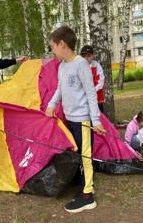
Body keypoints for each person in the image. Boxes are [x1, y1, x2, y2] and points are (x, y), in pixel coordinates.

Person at [45, 26, 106, 213]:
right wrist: (52, 104)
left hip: (83, 121)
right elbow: (60, 89)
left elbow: (91, 94)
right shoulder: (62, 66)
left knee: (86, 157)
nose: (53, 51)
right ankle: (83, 188)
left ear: (62, 44)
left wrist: (95, 120)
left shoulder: (82, 65)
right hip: (70, 119)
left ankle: (88, 196)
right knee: (78, 155)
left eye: (53, 47)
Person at [80, 45, 105, 113]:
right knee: (86, 121)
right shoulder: (78, 67)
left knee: (98, 120)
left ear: (92, 56)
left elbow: (101, 82)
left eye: (88, 56)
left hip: (96, 100)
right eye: (84, 56)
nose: (86, 58)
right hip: (83, 101)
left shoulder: (96, 65)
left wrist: (91, 93)